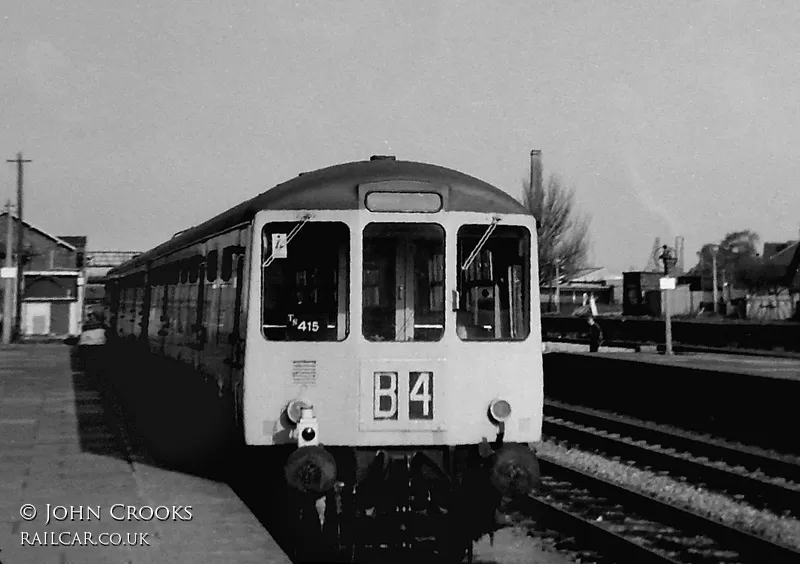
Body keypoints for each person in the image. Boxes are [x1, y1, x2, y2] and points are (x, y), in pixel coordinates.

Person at [78, 312, 107, 379]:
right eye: (90, 318)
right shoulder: (86, 327)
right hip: (87, 347)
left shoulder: (102, 328)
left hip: (98, 347)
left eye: (92, 318)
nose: (90, 319)